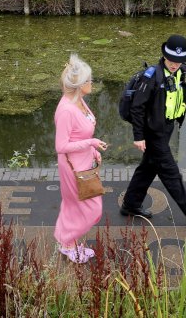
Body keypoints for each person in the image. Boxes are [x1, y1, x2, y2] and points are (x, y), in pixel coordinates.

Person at [121, 34, 186, 226]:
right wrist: (139, 136)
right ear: (164, 56)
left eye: (179, 61)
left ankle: (131, 204)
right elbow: (137, 107)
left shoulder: (184, 73)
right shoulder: (152, 76)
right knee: (171, 173)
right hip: (152, 131)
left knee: (148, 168)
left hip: (167, 128)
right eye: (172, 60)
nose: (175, 64)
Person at [54, 53, 108, 263]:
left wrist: (92, 151)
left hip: (85, 163)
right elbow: (61, 146)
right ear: (78, 85)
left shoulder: (79, 101)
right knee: (92, 209)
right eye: (88, 80)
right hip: (74, 168)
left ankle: (66, 240)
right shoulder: (66, 110)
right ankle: (67, 243)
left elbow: (80, 134)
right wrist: (91, 143)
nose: (91, 83)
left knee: (73, 205)